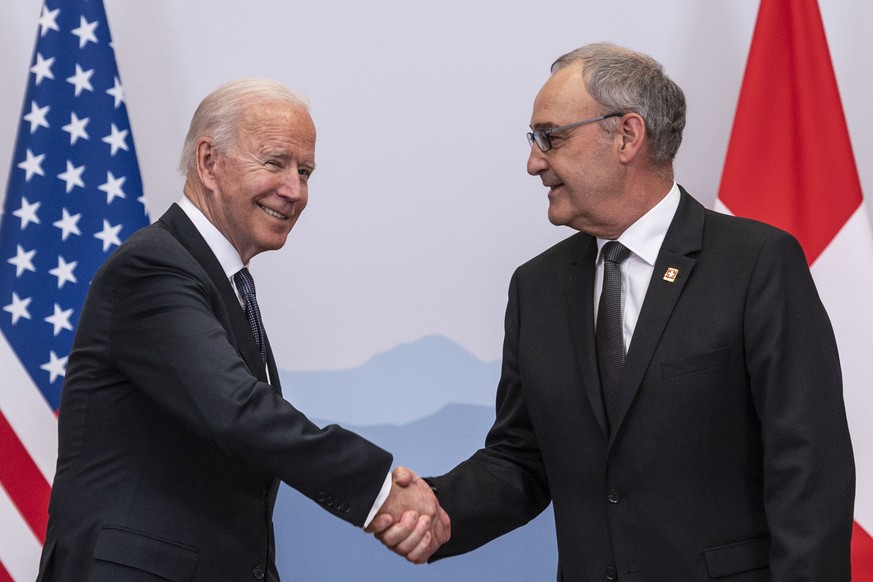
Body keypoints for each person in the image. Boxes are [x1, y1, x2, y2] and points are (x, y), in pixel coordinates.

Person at [370, 43, 855, 580]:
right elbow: (522, 458)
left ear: (626, 135)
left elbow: (809, 469)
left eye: (549, 137)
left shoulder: (756, 263)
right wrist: (439, 509)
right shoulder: (537, 287)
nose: (534, 162)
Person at [36, 78, 447, 581]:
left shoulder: (219, 280)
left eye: (305, 171)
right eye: (275, 162)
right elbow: (237, 411)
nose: (294, 190)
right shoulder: (153, 267)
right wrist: (380, 490)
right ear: (208, 162)